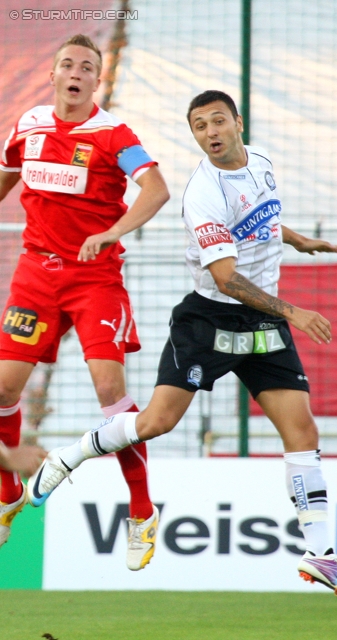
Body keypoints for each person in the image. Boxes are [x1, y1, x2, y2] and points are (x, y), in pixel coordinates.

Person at [28, 89, 337, 599]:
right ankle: (67, 457)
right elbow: (227, 279)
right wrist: (294, 311)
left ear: (238, 123)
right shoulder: (201, 193)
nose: (210, 132)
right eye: (199, 126)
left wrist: (296, 240)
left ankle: (320, 555)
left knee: (302, 430)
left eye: (217, 121)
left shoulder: (264, 162)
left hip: (261, 322)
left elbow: (263, 217)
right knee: (156, 423)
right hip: (210, 319)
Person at [0, 34, 170, 569]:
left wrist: (112, 231)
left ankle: (141, 509)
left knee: (109, 390)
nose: (76, 71)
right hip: (35, 276)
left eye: (87, 66)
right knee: (2, 387)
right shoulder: (27, 126)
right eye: (67, 64)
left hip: (95, 278)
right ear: (53, 76)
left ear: (97, 81)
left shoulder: (114, 134)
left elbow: (156, 189)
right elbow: (5, 177)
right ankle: (8, 494)